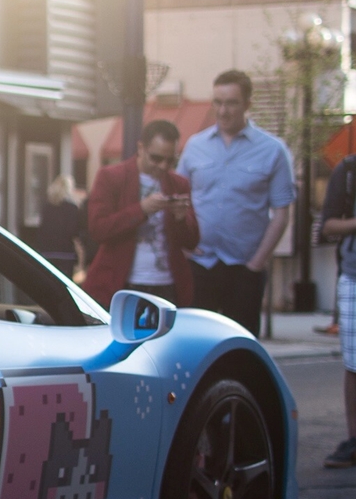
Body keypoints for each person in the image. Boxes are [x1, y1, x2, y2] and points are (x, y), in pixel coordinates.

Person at [176, 69, 295, 336]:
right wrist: (183, 249)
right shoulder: (195, 146)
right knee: (195, 343)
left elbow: (281, 213)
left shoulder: (273, 150)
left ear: (247, 104)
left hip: (244, 269)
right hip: (200, 265)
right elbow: (179, 199)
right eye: (217, 102)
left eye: (231, 103)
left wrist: (256, 264)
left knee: (240, 347)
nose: (223, 111)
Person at [82, 120, 199, 307]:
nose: (163, 166)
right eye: (156, 158)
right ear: (141, 148)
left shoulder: (178, 183)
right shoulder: (111, 177)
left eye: (170, 160)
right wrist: (142, 209)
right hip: (121, 283)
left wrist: (181, 218)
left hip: (166, 284)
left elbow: (192, 241)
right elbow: (98, 229)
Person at [315, 154, 356, 467]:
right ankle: (354, 440)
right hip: (354, 277)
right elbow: (327, 225)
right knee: (354, 364)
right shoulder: (349, 169)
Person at [35, 173, 90, 279]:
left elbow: (41, 230)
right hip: (65, 254)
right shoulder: (72, 208)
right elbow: (74, 231)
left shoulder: (46, 207)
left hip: (47, 252)